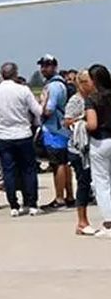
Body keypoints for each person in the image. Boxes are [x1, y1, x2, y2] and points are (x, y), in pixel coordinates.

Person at [0, 62, 43, 217]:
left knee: (8, 171)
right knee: (29, 170)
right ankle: (32, 204)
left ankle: (13, 205)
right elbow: (37, 111)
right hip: (23, 134)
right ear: (15, 74)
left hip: (5, 136)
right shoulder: (23, 90)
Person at [38, 56, 73, 209]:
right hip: (62, 129)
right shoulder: (61, 84)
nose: (44, 69)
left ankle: (59, 198)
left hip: (54, 129)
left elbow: (49, 110)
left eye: (47, 66)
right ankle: (69, 195)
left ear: (55, 67)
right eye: (43, 66)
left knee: (57, 163)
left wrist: (41, 109)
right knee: (64, 163)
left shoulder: (52, 86)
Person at [66, 70, 95, 235]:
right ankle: (82, 221)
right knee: (83, 183)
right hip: (78, 149)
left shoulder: (94, 99)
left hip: (93, 146)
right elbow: (66, 121)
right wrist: (81, 120)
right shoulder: (75, 100)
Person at [85, 64, 111, 237]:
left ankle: (109, 223)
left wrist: (82, 125)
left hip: (101, 141)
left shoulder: (93, 98)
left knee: (102, 183)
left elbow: (93, 124)